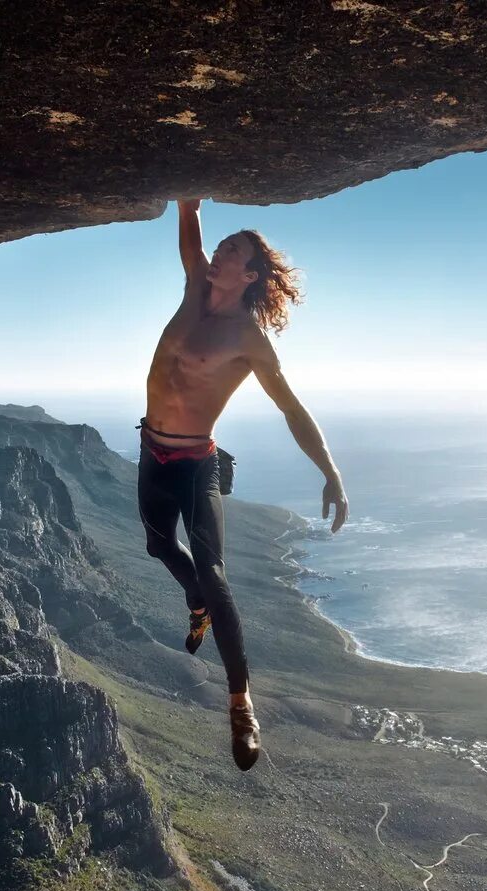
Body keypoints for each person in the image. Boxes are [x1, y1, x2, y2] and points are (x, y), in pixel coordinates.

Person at [138, 198, 348, 771]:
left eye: (232, 251)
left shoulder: (248, 338)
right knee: (158, 545)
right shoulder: (192, 290)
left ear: (249, 274)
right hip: (152, 451)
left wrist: (329, 470)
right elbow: (189, 236)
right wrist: (188, 199)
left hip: (197, 464)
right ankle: (196, 603)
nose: (219, 252)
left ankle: (240, 703)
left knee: (215, 572)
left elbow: (291, 408)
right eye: (221, 244)